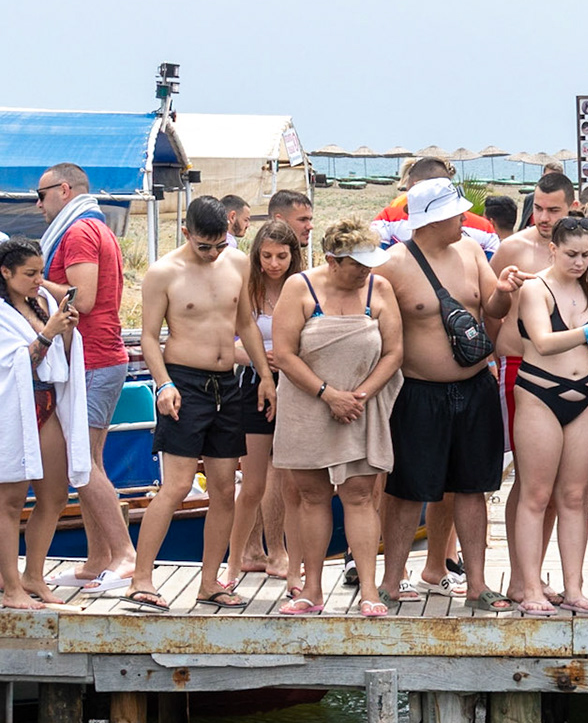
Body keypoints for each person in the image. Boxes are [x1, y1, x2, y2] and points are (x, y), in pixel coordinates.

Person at [123, 196, 275, 611]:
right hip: (184, 383)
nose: (211, 254)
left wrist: (264, 375)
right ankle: (141, 579)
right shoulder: (163, 273)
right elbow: (151, 337)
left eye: (219, 245)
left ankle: (210, 582)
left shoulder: (237, 263)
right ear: (187, 233)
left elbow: (244, 321)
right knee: (175, 486)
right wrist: (163, 384)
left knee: (226, 488)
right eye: (203, 246)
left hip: (227, 383)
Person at [379, 177, 511, 612]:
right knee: (406, 490)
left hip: (474, 387)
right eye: (456, 213)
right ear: (433, 218)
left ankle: (477, 584)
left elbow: (490, 307)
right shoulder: (393, 265)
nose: (464, 219)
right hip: (419, 393)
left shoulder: (472, 251)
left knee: (473, 488)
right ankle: (391, 581)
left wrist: (505, 293)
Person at [271, 221, 404, 617]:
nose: (366, 271)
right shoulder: (300, 288)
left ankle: (369, 591)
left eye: (369, 263)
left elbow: (394, 352)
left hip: (361, 406)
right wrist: (328, 395)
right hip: (308, 403)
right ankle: (311, 589)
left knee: (360, 496)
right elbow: (284, 353)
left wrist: (358, 397)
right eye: (357, 264)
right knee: (312, 497)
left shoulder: (379, 289)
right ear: (332, 260)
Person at [507, 217, 588, 615]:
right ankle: (530, 588)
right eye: (572, 254)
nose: (580, 262)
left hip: (585, 394)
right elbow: (543, 343)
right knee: (536, 494)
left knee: (576, 497)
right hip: (539, 394)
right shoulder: (535, 289)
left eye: (586, 255)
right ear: (553, 250)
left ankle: (574, 587)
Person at [34, 163, 137, 596]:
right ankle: (97, 559)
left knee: (83, 463)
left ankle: (125, 556)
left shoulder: (76, 233)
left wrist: (35, 281)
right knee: (89, 459)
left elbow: (85, 298)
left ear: (63, 189)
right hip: (98, 357)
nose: (37, 205)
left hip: (92, 359)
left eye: (40, 196)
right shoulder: (95, 226)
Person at [492, 171, 577, 603]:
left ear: (572, 207)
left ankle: (535, 572)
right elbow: (490, 308)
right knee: (528, 479)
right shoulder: (513, 248)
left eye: (554, 210)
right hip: (518, 362)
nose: (544, 218)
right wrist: (489, 358)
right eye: (538, 209)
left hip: (567, 369)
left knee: (559, 482)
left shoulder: (581, 250)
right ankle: (520, 577)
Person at [0, 239, 86, 609]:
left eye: (41, 272)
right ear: (6, 273)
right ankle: (11, 586)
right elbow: (17, 361)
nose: (39, 281)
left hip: (46, 402)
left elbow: (60, 355)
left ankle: (33, 574)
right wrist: (49, 332)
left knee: (53, 494)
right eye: (30, 274)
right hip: (13, 407)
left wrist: (67, 328)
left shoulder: (44, 302)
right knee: (9, 500)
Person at [226, 219, 304, 589]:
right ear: (256, 256)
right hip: (251, 385)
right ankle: (241, 555)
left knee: (288, 478)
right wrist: (261, 359)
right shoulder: (247, 291)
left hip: (295, 387)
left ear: (294, 256)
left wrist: (284, 359)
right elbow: (224, 345)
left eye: (282, 256)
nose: (274, 263)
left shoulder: (302, 288)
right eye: (267, 256)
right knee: (254, 478)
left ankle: (281, 553)